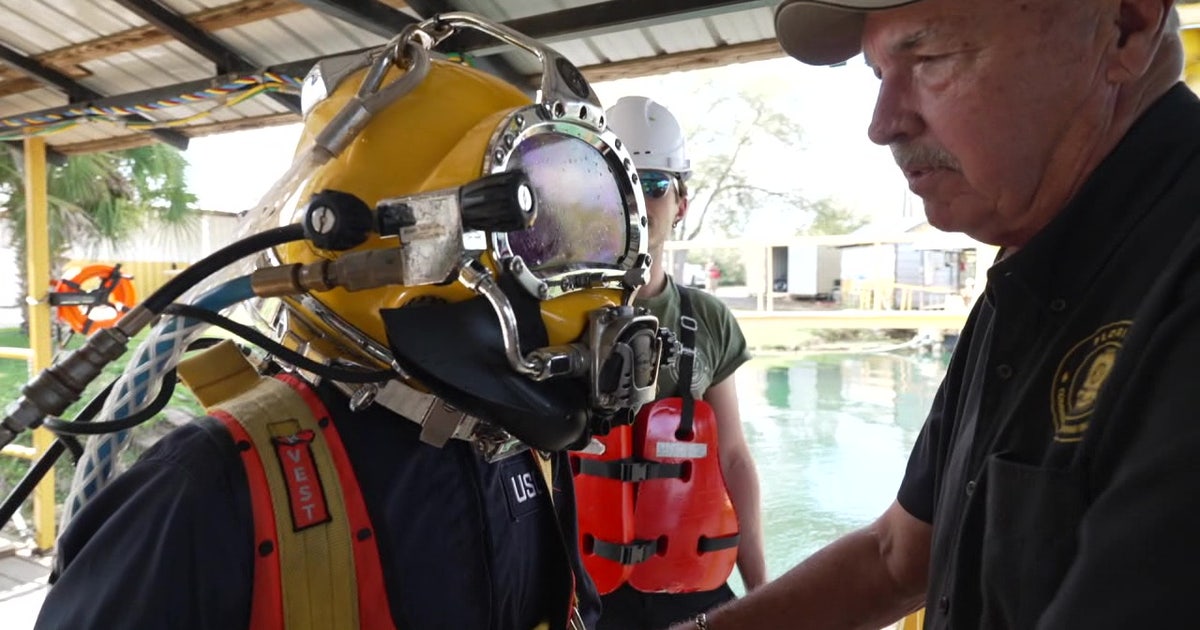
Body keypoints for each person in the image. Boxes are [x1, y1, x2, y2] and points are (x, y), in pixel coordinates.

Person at [31, 15, 675, 630]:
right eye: (541, 237)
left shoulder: (522, 445)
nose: (597, 286)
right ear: (392, 252)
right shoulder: (203, 494)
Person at [669, 0, 1200, 628]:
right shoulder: (1031, 271)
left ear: (1126, 27)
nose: (883, 123)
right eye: (877, 74)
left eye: (930, 58)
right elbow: (897, 557)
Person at [572, 95, 767, 630]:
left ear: (681, 203)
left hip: (691, 582)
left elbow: (734, 459)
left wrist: (762, 594)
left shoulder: (709, 319)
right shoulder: (550, 315)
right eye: (620, 182)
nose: (636, 199)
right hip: (581, 589)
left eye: (654, 184)